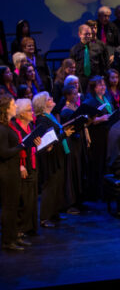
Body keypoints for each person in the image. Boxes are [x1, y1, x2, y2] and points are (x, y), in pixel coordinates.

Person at [1, 95, 39, 251]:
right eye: (12, 104)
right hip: (7, 173)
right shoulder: (2, 129)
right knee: (9, 208)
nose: (15, 107)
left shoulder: (7, 125)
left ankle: (15, 235)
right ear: (5, 108)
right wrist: (23, 145)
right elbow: (3, 152)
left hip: (12, 171)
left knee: (14, 207)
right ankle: (7, 241)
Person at [33, 92, 75, 227]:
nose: (52, 99)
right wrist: (64, 135)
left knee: (58, 184)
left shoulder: (49, 116)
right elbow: (47, 140)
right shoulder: (41, 119)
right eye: (48, 99)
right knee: (50, 185)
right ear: (43, 104)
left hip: (58, 153)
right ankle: (45, 218)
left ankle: (54, 212)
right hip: (50, 156)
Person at [11, 99, 40, 237]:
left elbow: (33, 147)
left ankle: (28, 227)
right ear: (21, 114)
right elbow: (14, 149)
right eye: (29, 110)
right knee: (23, 200)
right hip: (22, 167)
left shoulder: (30, 127)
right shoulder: (14, 129)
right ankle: (18, 230)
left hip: (32, 165)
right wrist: (20, 165)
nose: (32, 113)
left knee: (31, 199)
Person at [82, 76, 115, 199]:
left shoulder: (107, 98)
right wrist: (100, 119)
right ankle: (97, 191)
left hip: (107, 133)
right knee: (98, 163)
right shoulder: (90, 101)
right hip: (97, 136)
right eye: (99, 85)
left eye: (104, 85)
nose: (103, 87)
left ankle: (107, 190)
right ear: (93, 88)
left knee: (107, 161)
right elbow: (86, 120)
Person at [58, 87, 86, 214]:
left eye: (77, 93)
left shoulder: (74, 107)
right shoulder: (66, 111)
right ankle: (70, 203)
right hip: (70, 143)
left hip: (77, 142)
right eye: (74, 94)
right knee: (71, 172)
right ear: (68, 96)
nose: (77, 96)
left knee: (77, 171)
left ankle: (78, 200)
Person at [70, 24, 109, 89]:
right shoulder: (74, 50)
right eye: (86, 34)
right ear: (80, 34)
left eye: (89, 34)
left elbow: (103, 65)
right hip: (81, 80)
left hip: (95, 79)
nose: (88, 36)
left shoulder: (98, 48)